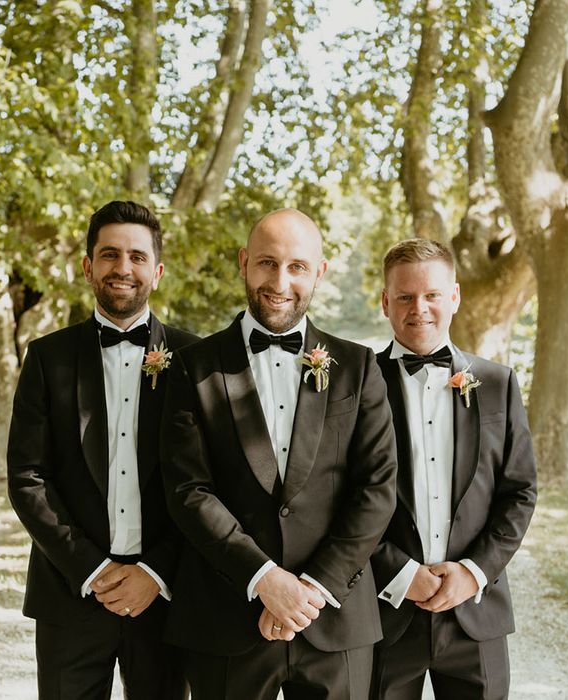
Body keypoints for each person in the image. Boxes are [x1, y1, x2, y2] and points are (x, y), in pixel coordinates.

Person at [159, 208, 398, 700]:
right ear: (244, 262)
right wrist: (265, 580)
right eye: (267, 263)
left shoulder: (357, 367)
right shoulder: (193, 368)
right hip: (226, 620)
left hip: (334, 619)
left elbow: (376, 488)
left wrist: (310, 590)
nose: (280, 281)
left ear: (320, 272)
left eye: (297, 266)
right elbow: (188, 490)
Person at [7, 200, 196, 699]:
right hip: (70, 594)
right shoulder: (47, 358)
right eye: (110, 255)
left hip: (165, 597)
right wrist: (93, 570)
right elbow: (28, 477)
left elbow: (207, 483)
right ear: (89, 266)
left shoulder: (194, 359)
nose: (123, 268)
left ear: (156, 271)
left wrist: (155, 571)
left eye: (136, 257)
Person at [370, 238, 537, 700]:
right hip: (385, 613)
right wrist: (400, 574)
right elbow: (340, 496)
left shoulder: (498, 383)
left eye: (432, 295)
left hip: (475, 617)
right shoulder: (357, 384)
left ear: (455, 296)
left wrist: (474, 571)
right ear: (385, 302)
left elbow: (519, 493)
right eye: (404, 296)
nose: (418, 308)